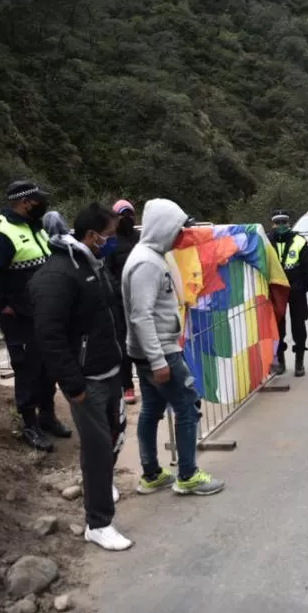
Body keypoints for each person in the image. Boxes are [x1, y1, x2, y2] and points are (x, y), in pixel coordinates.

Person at [29, 205, 132, 551]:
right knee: (97, 448)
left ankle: (100, 486)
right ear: (92, 236)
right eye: (109, 235)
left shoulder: (90, 263)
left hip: (110, 369)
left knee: (111, 438)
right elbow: (49, 335)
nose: (112, 242)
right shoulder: (58, 275)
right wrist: (73, 385)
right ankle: (98, 523)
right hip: (87, 381)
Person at [121, 198, 225, 497]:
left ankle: (152, 473)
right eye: (178, 228)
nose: (182, 234)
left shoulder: (151, 256)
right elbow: (141, 316)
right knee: (188, 406)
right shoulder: (145, 263)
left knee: (152, 409)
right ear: (163, 228)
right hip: (160, 352)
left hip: (155, 351)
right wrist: (157, 360)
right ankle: (188, 475)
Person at [0, 180, 70, 452]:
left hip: (43, 312)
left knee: (48, 366)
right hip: (20, 317)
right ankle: (29, 424)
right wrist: (2, 304)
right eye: (38, 199)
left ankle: (47, 416)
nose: (43, 204)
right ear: (26, 202)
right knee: (27, 368)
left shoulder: (34, 227)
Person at [267, 210, 308, 377]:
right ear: (272, 224)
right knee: (278, 328)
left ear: (289, 223)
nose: (281, 225)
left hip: (297, 290)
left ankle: (299, 362)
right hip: (276, 292)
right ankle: (280, 362)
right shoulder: (266, 242)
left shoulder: (299, 241)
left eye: (284, 222)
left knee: (298, 327)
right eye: (278, 222)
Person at [106, 199, 141, 405]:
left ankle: (150, 382)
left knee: (146, 340)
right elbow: (108, 272)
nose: (126, 218)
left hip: (143, 298)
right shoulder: (111, 242)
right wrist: (121, 290)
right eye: (122, 215)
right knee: (124, 344)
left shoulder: (141, 238)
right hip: (121, 302)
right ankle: (127, 385)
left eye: (129, 214)